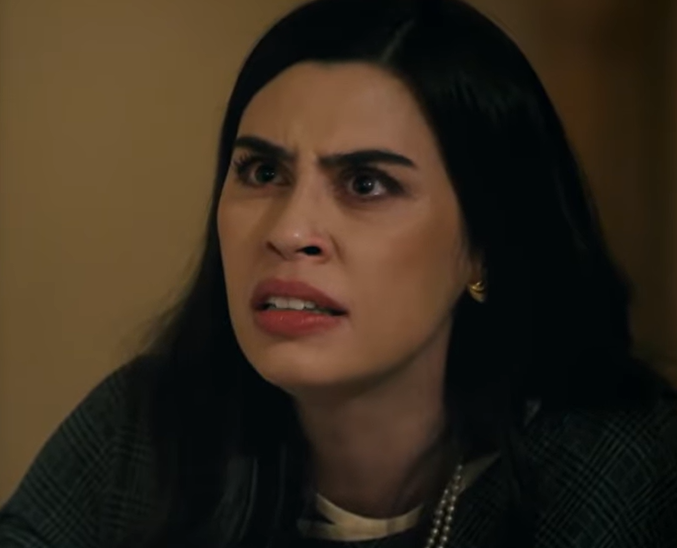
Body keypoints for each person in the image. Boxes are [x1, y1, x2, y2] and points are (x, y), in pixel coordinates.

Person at [1, 0, 676, 546]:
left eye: (365, 183)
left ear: (484, 245)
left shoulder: (621, 471)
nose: (289, 232)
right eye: (262, 172)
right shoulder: (144, 431)